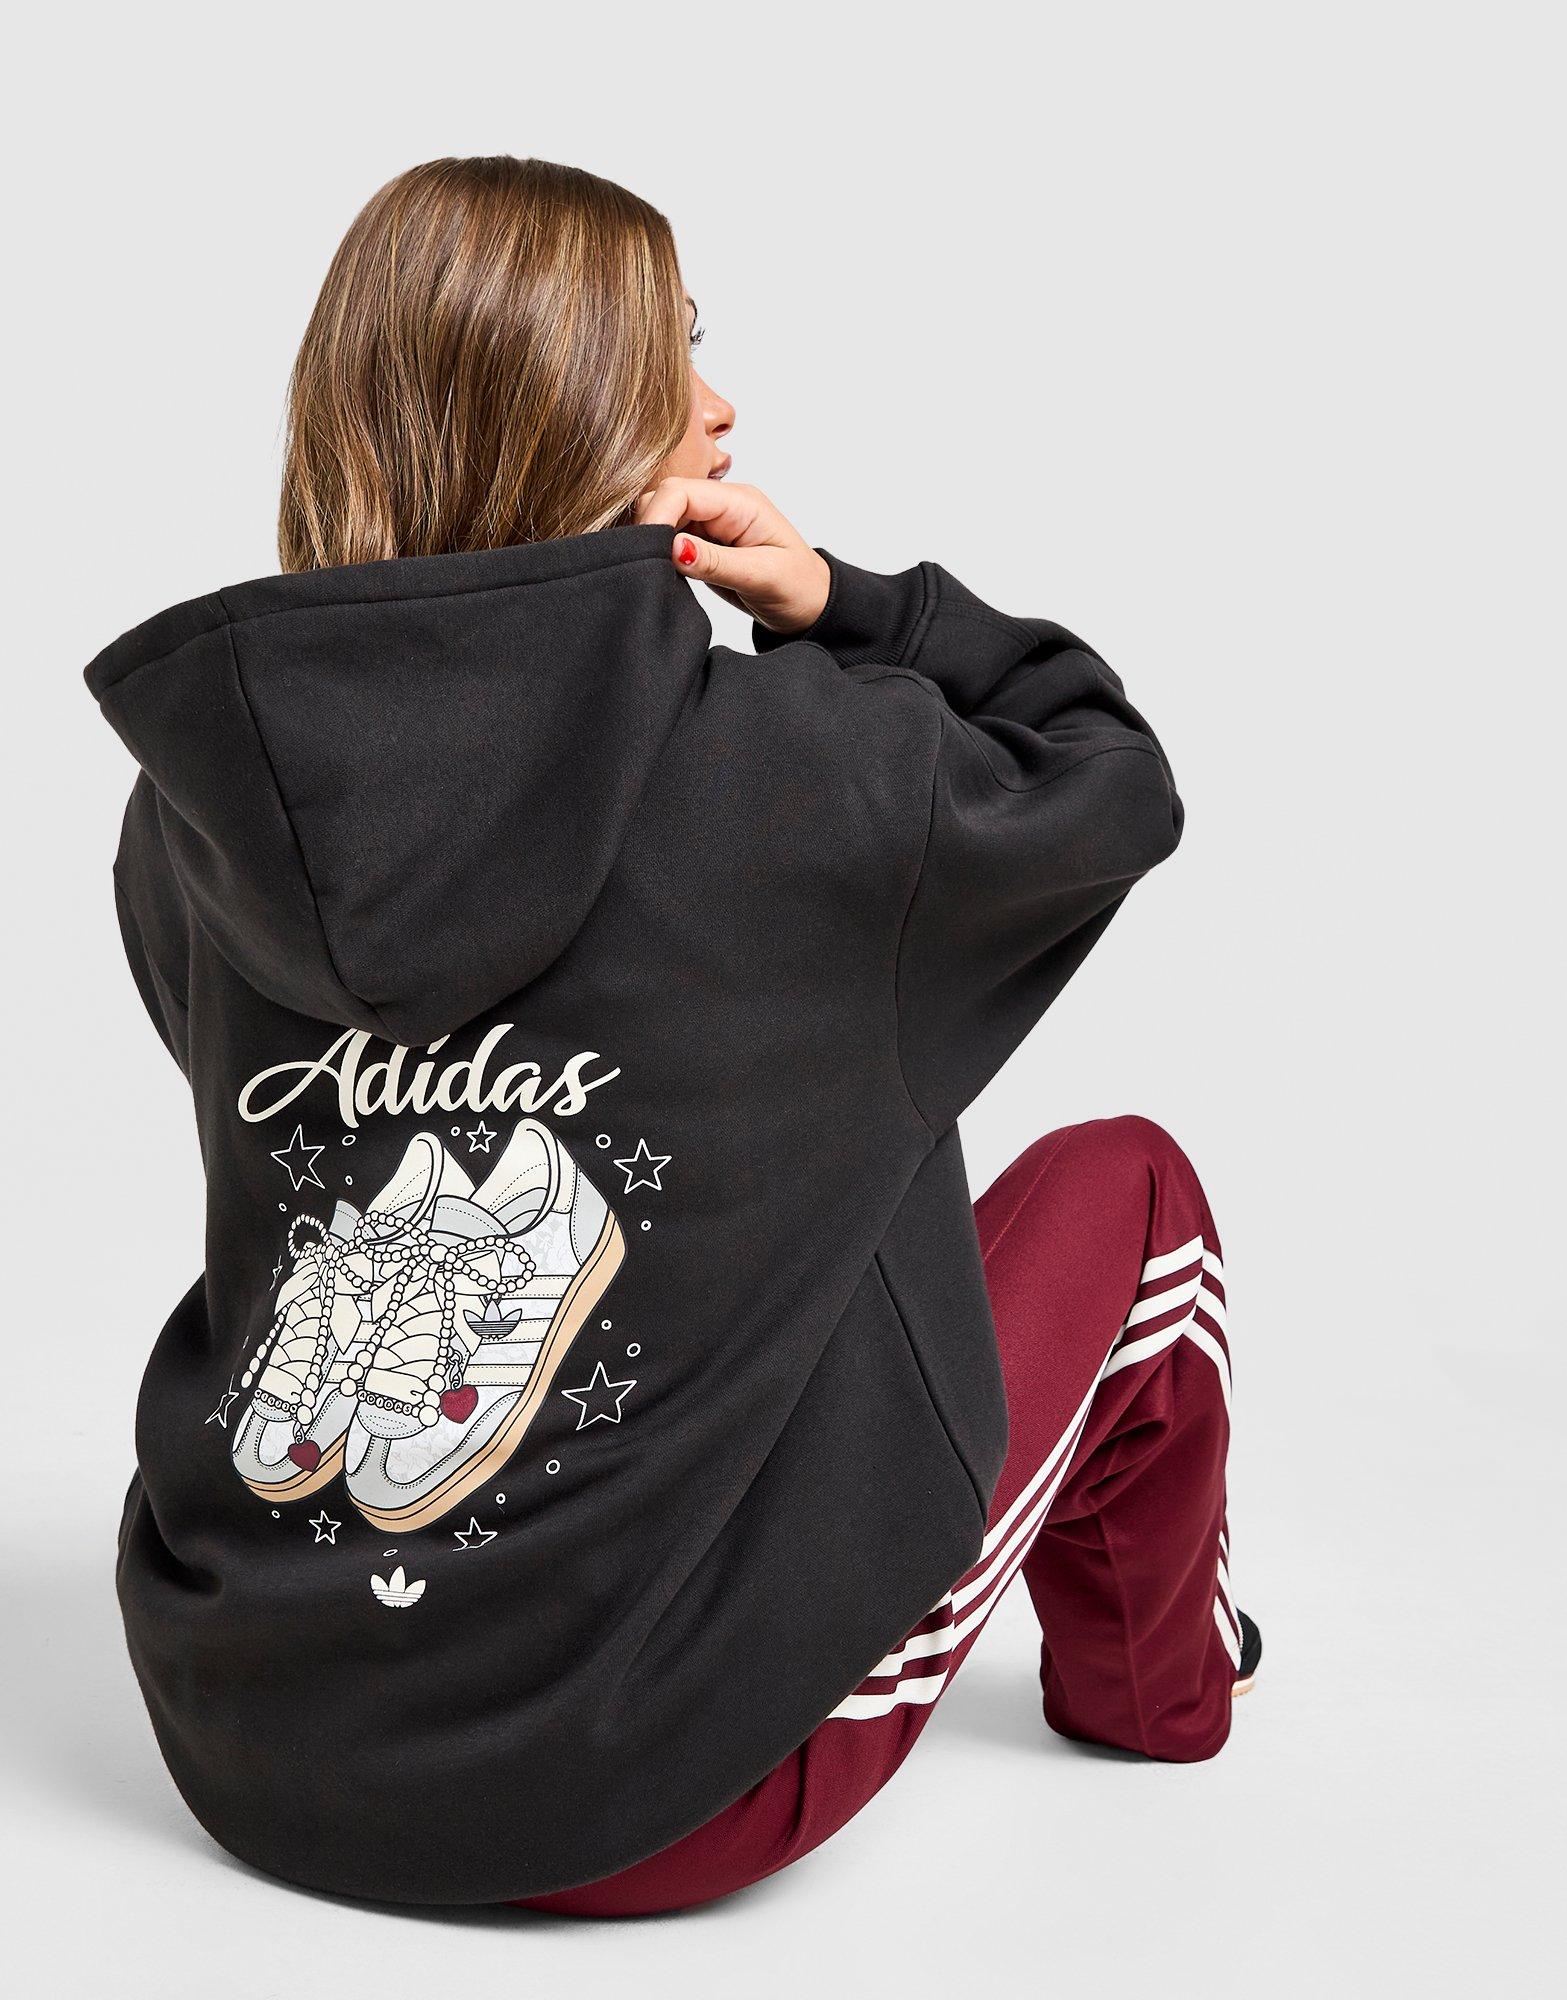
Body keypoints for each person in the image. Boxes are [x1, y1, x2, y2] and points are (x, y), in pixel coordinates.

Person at [86, 154, 1258, 1915]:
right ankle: (1162, 1699)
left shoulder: (191, 822)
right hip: (653, 1797)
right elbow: (1111, 773)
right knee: (1136, 1192)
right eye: (672, 353)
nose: (719, 405)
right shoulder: (822, 777)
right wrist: (851, 606)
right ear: (566, 409)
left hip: (250, 1745)